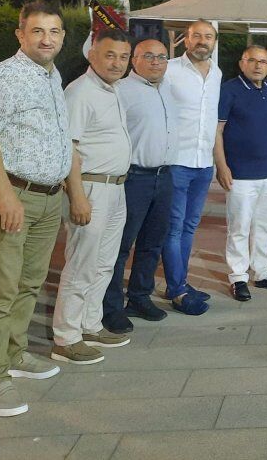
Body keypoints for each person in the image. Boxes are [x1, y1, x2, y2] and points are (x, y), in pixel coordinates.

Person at [0, 0, 77, 417]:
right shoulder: (4, 76)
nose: (47, 39)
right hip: (11, 196)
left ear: (63, 36)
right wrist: (4, 195)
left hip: (48, 198)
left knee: (29, 283)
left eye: (54, 31)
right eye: (37, 31)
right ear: (20, 34)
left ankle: (14, 354)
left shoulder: (52, 76)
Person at [51, 28, 133, 364]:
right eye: (109, 55)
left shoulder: (113, 90)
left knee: (103, 263)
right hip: (90, 188)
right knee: (81, 264)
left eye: (123, 57)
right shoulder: (80, 92)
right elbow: (68, 148)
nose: (117, 63)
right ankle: (66, 337)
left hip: (115, 188)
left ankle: (90, 323)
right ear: (92, 54)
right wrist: (77, 197)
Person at [102, 38, 179, 334]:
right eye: (149, 56)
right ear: (134, 60)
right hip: (134, 178)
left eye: (162, 57)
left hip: (164, 176)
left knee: (152, 243)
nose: (156, 62)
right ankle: (110, 307)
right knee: (120, 245)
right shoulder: (121, 91)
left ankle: (139, 297)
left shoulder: (167, 89)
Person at [214, 45, 267, 300]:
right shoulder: (229, 91)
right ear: (241, 63)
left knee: (264, 225)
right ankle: (238, 277)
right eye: (252, 60)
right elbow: (217, 131)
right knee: (239, 227)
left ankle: (263, 272)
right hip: (240, 175)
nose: (258, 66)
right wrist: (222, 166)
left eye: (263, 61)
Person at [163, 19, 222, 315]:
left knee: (188, 227)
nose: (202, 40)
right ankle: (177, 290)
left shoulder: (217, 73)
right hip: (176, 161)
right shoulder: (169, 69)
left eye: (208, 36)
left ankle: (179, 281)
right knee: (173, 228)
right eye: (196, 35)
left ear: (214, 42)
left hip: (203, 163)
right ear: (185, 40)